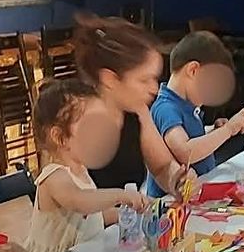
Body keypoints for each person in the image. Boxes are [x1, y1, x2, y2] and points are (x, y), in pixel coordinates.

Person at [27, 79, 150, 252]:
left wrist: (126, 214)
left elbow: (91, 217)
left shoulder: (82, 171)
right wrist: (120, 195)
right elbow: (79, 201)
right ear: (60, 138)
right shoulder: (54, 176)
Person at [72, 15, 183, 193]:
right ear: (110, 79)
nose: (154, 89)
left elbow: (162, 167)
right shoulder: (74, 122)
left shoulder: (138, 111)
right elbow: (72, 198)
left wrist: (178, 180)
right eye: (144, 80)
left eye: (155, 78)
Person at [143, 31, 244, 196]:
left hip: (195, 192)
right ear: (193, 70)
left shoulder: (186, 105)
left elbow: (189, 137)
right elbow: (185, 151)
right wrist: (228, 130)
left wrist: (213, 131)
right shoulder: (166, 108)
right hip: (170, 202)